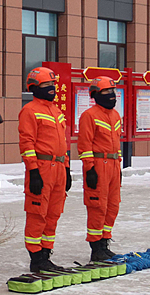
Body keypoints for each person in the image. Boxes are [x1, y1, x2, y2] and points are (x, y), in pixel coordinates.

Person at [18, 66, 70, 273]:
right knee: (37, 213)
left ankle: (46, 254)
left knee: (53, 213)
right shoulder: (29, 110)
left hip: (58, 168)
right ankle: (36, 258)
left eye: (53, 85)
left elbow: (63, 143)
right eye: (46, 85)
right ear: (34, 87)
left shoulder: (56, 111)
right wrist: (33, 171)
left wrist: (66, 168)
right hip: (42, 168)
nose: (51, 88)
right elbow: (27, 142)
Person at [78, 77, 123, 262]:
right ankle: (96, 248)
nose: (111, 96)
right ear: (96, 95)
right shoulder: (89, 115)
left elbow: (116, 144)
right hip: (98, 166)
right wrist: (90, 169)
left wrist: (118, 165)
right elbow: (84, 144)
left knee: (112, 206)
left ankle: (105, 243)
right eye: (106, 92)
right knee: (98, 206)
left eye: (112, 92)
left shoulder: (115, 116)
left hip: (113, 165)